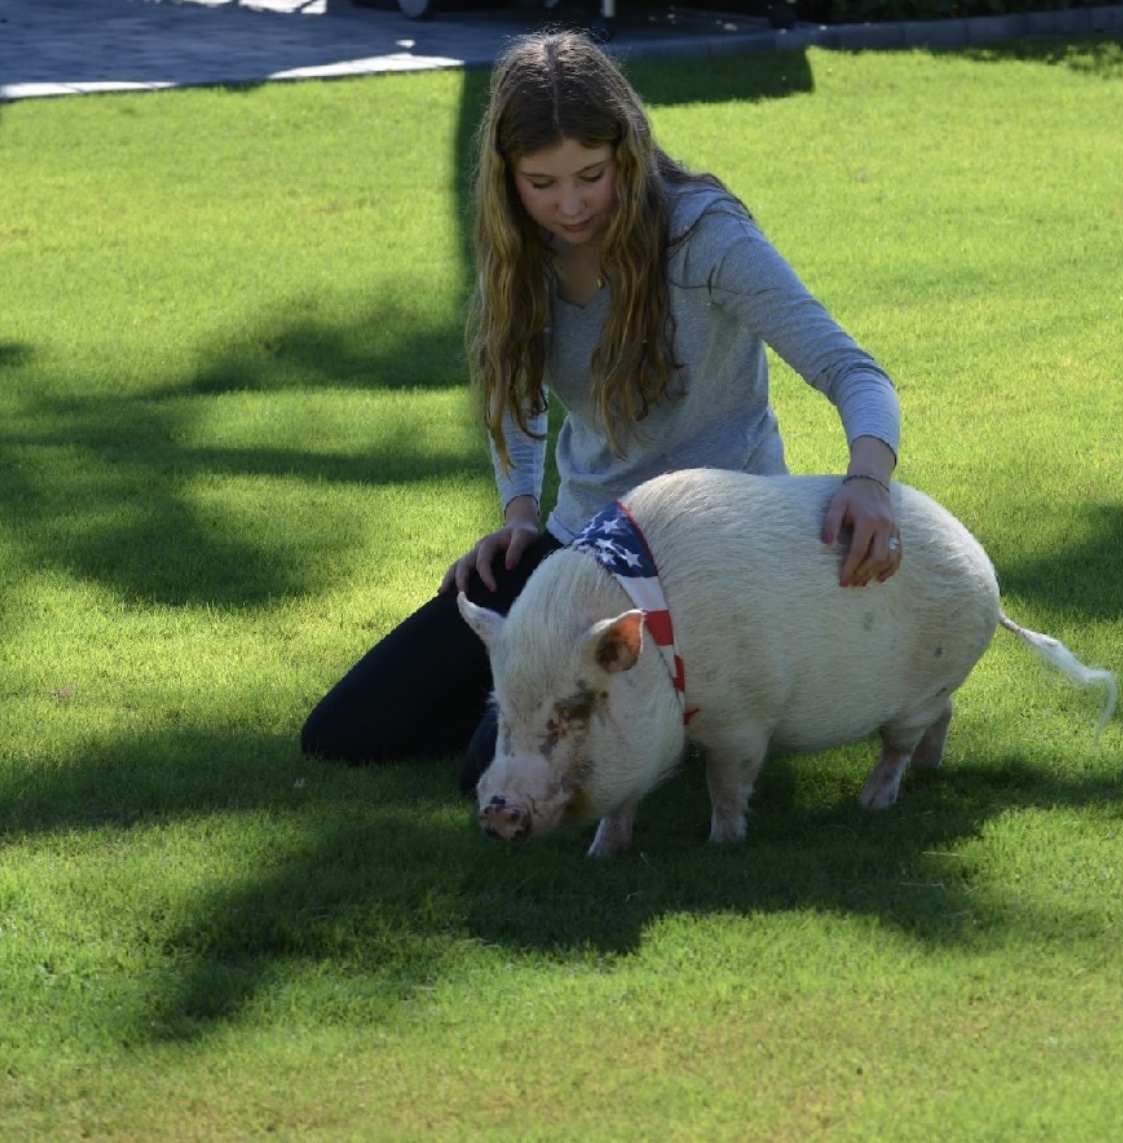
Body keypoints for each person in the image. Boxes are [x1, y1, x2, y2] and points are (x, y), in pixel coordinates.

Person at [300, 29, 903, 794]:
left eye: (591, 174)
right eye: (540, 182)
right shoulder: (518, 250)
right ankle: (650, 717)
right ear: (506, 176)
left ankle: (661, 710)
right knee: (344, 733)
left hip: (706, 550)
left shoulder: (704, 236)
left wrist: (869, 480)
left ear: (628, 150)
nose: (570, 203)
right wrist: (520, 513)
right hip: (579, 540)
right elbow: (512, 397)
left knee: (481, 773)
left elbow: (853, 370)